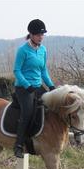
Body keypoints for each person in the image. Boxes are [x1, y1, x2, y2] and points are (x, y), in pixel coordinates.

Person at [13, 19, 55, 158]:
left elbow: (43, 71)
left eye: (42, 34)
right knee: (28, 112)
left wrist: (51, 85)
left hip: (37, 86)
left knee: (52, 106)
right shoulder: (23, 50)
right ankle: (19, 145)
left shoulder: (43, 50)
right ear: (31, 34)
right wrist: (27, 85)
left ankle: (45, 139)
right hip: (23, 88)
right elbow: (17, 71)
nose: (40, 37)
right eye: (38, 34)